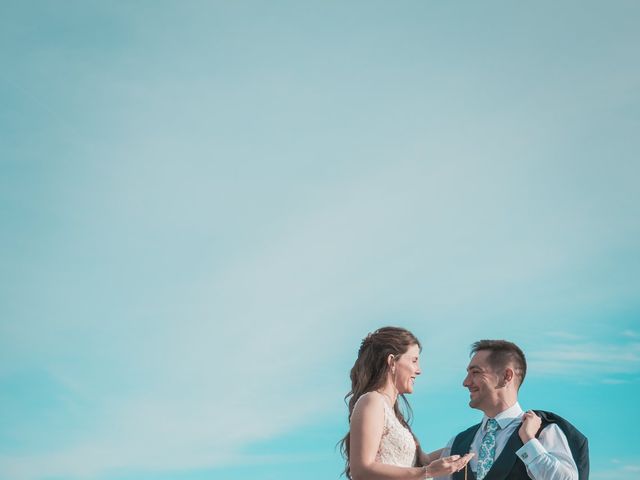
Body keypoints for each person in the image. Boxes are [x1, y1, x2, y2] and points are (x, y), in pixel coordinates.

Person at [339, 327, 474, 480]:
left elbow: (423, 462)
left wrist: (472, 441)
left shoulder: (392, 413)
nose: (419, 370)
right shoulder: (372, 401)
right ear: (392, 362)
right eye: (414, 361)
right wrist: (427, 472)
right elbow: (362, 469)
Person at [434, 340, 579, 480]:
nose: (465, 382)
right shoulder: (457, 444)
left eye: (476, 372)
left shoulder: (544, 432)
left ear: (506, 376)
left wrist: (529, 440)